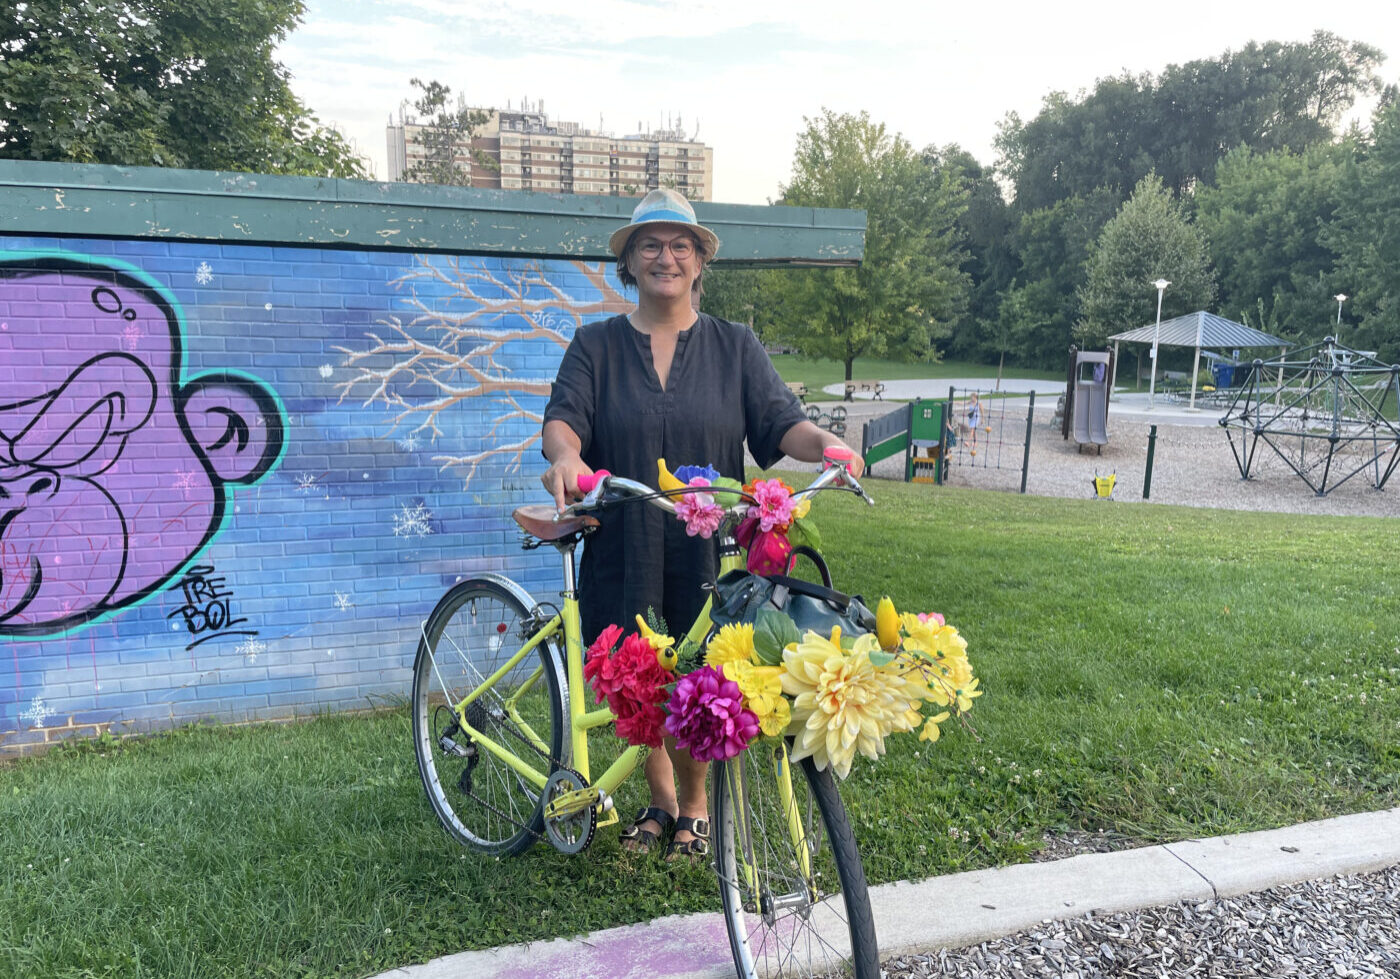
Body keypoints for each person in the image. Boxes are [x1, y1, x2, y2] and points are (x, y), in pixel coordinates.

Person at [540, 188, 863, 860]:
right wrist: (568, 456)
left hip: (705, 547)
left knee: (700, 679)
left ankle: (694, 806)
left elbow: (783, 422)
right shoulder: (594, 346)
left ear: (700, 260)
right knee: (635, 679)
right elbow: (563, 421)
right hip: (621, 540)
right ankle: (660, 800)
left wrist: (826, 443)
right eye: (650, 244)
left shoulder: (734, 346)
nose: (666, 256)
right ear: (629, 260)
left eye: (680, 244)